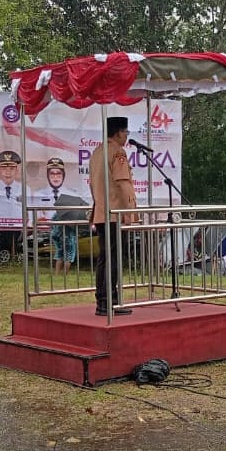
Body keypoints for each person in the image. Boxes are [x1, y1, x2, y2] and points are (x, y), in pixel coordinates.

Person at [90, 116, 138, 316]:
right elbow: (123, 182)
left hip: (101, 212)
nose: (127, 136)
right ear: (118, 133)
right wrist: (130, 212)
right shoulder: (118, 152)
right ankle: (109, 301)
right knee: (114, 259)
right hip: (115, 213)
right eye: (126, 132)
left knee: (105, 258)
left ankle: (103, 300)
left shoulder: (97, 152)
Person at [31, 157, 81, 276]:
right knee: (65, 252)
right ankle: (61, 275)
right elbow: (35, 218)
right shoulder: (38, 194)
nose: (55, 177)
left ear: (63, 175)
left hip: (62, 231)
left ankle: (59, 274)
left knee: (63, 252)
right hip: (57, 231)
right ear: (47, 176)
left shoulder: (72, 194)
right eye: (52, 174)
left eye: (58, 174)